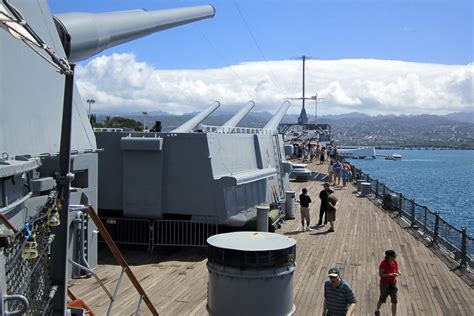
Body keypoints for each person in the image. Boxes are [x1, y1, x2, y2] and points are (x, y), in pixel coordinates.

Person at [375, 250, 401, 316]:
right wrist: (391, 275)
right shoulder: (383, 264)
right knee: (382, 298)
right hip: (384, 284)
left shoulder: (394, 262)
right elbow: (381, 274)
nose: (395, 257)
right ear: (389, 257)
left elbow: (396, 269)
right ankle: (377, 309)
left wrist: (398, 272)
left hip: (392, 283)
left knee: (394, 301)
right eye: (393, 256)